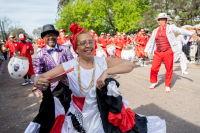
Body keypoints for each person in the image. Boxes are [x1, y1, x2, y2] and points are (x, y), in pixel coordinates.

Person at [28, 23, 166, 133]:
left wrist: (106, 72)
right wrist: (37, 81)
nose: (88, 45)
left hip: (104, 111)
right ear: (76, 48)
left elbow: (129, 65)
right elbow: (42, 76)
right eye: (83, 43)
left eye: (91, 42)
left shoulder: (102, 61)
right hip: (79, 113)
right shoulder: (69, 65)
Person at [144, 13, 200, 92]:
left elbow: (181, 30)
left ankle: (167, 84)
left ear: (164, 20)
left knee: (169, 68)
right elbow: (150, 41)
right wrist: (146, 49)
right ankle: (154, 81)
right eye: (158, 20)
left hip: (168, 51)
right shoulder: (155, 30)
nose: (158, 21)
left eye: (159, 20)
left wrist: (192, 34)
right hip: (158, 52)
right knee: (153, 68)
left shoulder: (170, 28)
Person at [34, 24, 74, 100]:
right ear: (43, 38)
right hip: (51, 88)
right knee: (54, 110)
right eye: (48, 35)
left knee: (69, 109)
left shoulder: (65, 49)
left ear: (56, 37)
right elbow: (38, 73)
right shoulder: (40, 54)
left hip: (67, 85)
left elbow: (73, 65)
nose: (51, 37)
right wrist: (40, 91)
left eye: (53, 35)